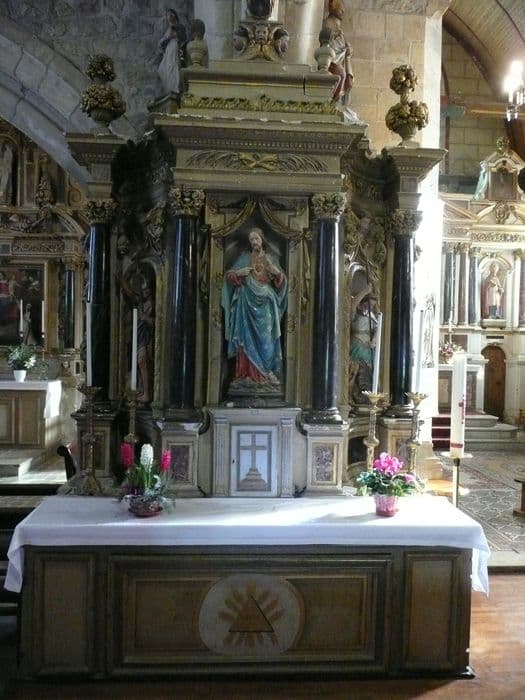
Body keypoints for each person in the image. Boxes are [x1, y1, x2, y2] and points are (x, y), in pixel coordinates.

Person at [221, 227, 287, 391]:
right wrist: (238, 273)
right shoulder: (245, 258)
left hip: (266, 303)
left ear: (262, 239)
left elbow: (282, 283)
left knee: (267, 340)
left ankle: (267, 372)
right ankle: (245, 376)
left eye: (256, 239)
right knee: (245, 338)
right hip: (246, 303)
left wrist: (277, 274)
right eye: (251, 240)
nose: (254, 242)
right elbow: (229, 276)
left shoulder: (270, 258)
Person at [349, 286, 379, 403]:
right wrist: (365, 291)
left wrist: (374, 340)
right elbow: (353, 304)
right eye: (368, 304)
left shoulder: (371, 316)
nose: (369, 307)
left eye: (372, 306)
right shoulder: (355, 313)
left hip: (367, 349)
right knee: (354, 372)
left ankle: (365, 398)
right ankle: (351, 396)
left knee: (367, 374)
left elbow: (378, 328)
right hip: (356, 346)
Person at [323, 0, 353, 105]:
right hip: (331, 59)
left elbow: (340, 42)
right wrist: (337, 38)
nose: (343, 11)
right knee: (341, 74)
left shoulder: (336, 23)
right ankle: (332, 100)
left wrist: (347, 47)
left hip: (339, 58)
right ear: (334, 8)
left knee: (345, 77)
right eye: (340, 9)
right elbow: (327, 41)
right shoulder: (328, 22)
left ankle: (335, 101)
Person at [157, 8, 186, 96]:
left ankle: (174, 88)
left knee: (173, 66)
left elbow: (183, 37)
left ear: (175, 16)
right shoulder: (167, 29)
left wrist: (174, 35)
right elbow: (163, 42)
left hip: (174, 47)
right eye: (168, 15)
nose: (169, 16)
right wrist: (166, 39)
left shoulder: (179, 26)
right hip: (168, 50)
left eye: (171, 14)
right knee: (162, 69)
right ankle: (168, 89)